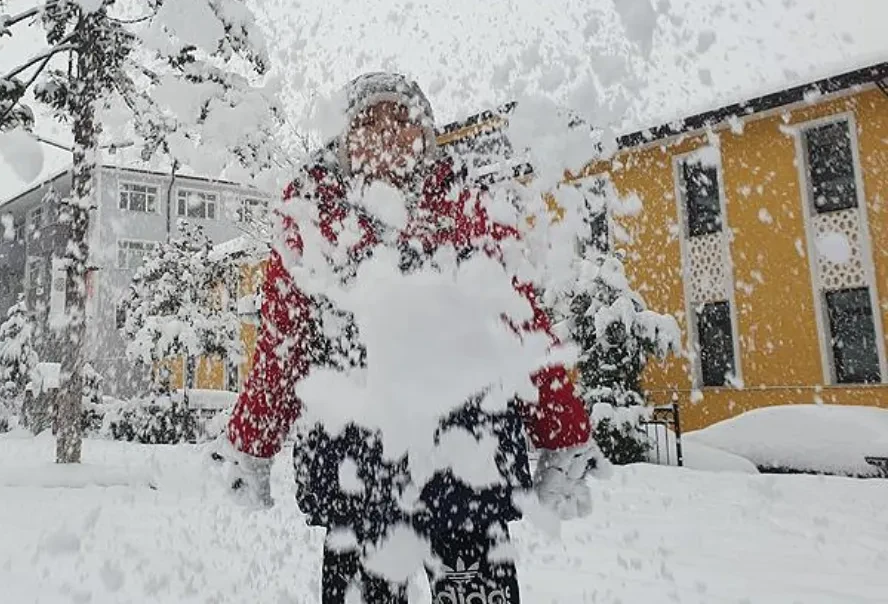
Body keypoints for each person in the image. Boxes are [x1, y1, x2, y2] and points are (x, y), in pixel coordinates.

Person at [212, 73, 608, 604]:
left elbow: (523, 326)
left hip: (467, 462)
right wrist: (252, 443)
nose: (385, 134)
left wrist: (562, 434)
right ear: (344, 139)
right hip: (355, 471)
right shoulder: (312, 213)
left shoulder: (469, 205)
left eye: (401, 119)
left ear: (426, 134)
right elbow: (283, 345)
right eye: (368, 121)